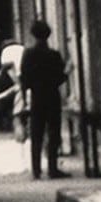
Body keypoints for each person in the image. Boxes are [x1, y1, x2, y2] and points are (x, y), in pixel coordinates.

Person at [20, 21, 69, 178]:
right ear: (48, 35)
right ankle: (52, 168)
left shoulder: (28, 54)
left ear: (33, 34)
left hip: (37, 97)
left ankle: (36, 170)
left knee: (37, 133)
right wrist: (67, 73)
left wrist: (24, 98)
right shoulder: (54, 55)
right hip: (52, 96)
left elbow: (24, 78)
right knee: (53, 132)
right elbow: (60, 77)